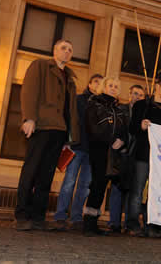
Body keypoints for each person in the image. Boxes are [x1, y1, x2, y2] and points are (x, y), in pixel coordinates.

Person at [15, 39, 80, 231]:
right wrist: (29, 118)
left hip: (59, 131)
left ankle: (38, 217)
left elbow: (71, 110)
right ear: (54, 51)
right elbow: (29, 92)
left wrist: (70, 138)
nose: (67, 52)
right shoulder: (40, 65)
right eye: (63, 48)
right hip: (41, 126)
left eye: (70, 49)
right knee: (31, 170)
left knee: (47, 175)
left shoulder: (70, 77)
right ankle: (21, 214)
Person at [53, 74, 103, 231]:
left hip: (92, 151)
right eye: (96, 82)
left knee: (85, 186)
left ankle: (76, 217)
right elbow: (69, 120)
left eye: (101, 83)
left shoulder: (102, 104)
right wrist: (65, 142)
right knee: (69, 182)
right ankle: (60, 216)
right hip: (76, 147)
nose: (98, 85)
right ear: (89, 84)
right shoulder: (79, 99)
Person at [127, 78, 161, 237]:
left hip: (159, 159)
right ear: (157, 87)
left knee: (155, 193)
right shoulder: (142, 105)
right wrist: (141, 126)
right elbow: (132, 127)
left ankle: (151, 225)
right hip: (142, 154)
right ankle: (132, 223)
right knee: (137, 190)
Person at [82, 77, 129, 236]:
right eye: (110, 85)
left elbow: (124, 132)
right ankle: (88, 223)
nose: (113, 88)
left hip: (114, 153)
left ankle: (93, 221)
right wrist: (112, 140)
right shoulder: (94, 103)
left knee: (103, 186)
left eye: (116, 86)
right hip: (99, 150)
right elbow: (92, 129)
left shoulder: (119, 109)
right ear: (103, 87)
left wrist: (121, 141)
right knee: (97, 184)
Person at [107, 84, 145, 233]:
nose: (137, 97)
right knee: (117, 189)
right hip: (121, 154)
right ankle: (114, 223)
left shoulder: (143, 114)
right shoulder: (121, 109)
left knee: (132, 192)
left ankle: (128, 224)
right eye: (135, 93)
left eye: (140, 95)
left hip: (135, 156)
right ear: (129, 94)